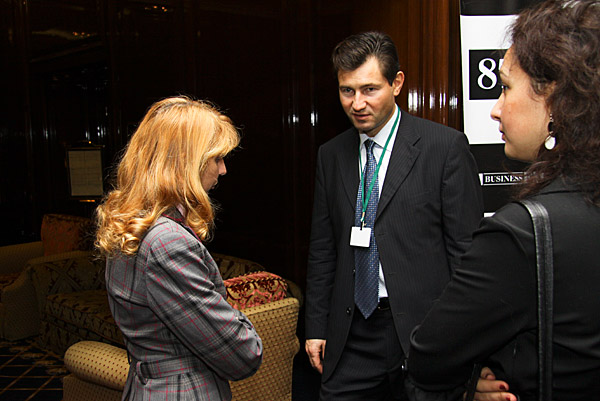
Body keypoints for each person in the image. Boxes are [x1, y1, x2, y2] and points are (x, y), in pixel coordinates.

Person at [408, 1, 600, 400]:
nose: (495, 110)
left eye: (506, 87)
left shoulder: (523, 233)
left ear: (555, 100)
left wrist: (473, 378)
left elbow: (429, 357)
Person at [304, 31, 484, 400]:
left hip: (423, 330)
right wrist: (316, 326)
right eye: (347, 91)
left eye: (369, 89)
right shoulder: (331, 155)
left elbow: (465, 254)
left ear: (397, 83)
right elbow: (323, 248)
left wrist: (462, 337)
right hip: (352, 332)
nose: (357, 103)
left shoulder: (444, 148)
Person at [95, 96, 263, 401]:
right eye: (216, 158)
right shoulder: (166, 243)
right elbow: (243, 354)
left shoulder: (133, 224)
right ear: (186, 163)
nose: (223, 170)